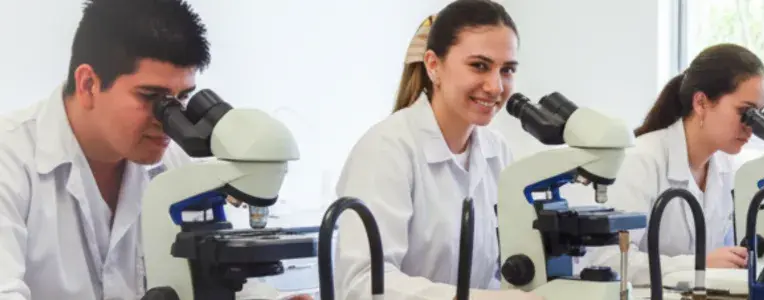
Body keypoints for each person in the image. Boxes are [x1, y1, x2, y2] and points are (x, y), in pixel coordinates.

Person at [0, 0, 308, 299]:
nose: (167, 121)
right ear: (88, 84)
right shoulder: (11, 158)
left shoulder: (178, 165)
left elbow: (226, 273)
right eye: (151, 97)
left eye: (183, 98)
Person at [332, 1, 539, 299]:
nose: (495, 87)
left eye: (507, 70)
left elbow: (503, 268)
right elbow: (364, 282)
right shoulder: (387, 149)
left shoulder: (497, 152)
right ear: (433, 65)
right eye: (479, 65)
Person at [580, 43, 764, 285]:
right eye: (745, 112)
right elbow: (608, 261)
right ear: (701, 103)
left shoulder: (725, 168)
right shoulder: (640, 160)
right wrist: (697, 264)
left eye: (760, 115)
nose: (752, 126)